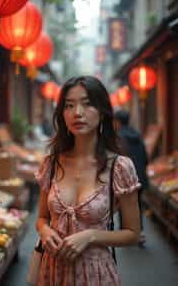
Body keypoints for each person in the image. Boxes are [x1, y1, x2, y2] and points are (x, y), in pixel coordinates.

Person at [35, 76, 141, 286]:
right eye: (69, 105)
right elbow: (41, 218)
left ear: (102, 112)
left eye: (87, 104)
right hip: (52, 271)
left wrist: (91, 236)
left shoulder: (120, 167)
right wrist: (45, 231)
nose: (77, 113)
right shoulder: (51, 163)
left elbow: (133, 233)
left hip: (96, 273)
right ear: (62, 114)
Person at [114, 109, 148, 246]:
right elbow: (145, 157)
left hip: (126, 178)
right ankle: (139, 232)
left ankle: (126, 232)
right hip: (140, 176)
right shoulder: (137, 135)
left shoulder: (118, 137)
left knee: (124, 204)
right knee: (137, 204)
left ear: (117, 122)